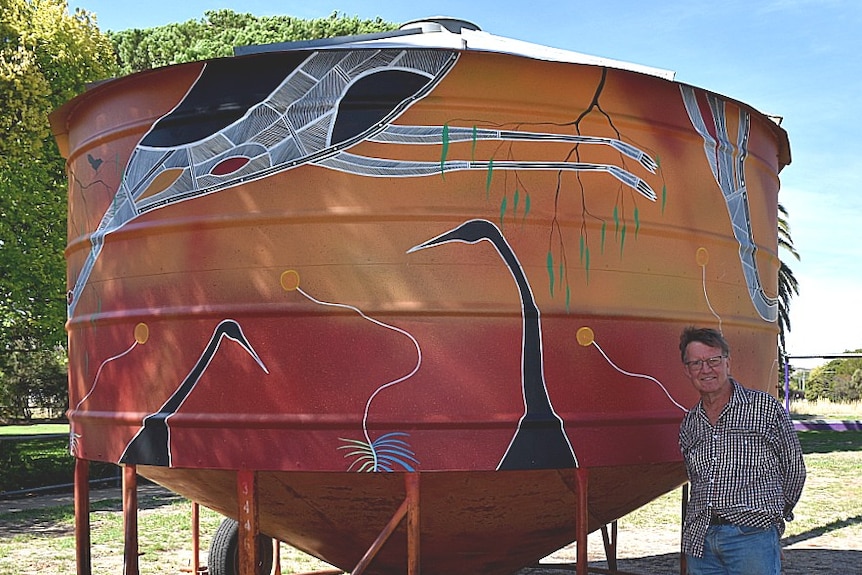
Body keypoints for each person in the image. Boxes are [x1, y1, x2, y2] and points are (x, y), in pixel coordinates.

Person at [678, 327, 806, 575]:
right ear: (687, 370)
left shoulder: (764, 408)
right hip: (701, 543)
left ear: (728, 363)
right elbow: (696, 481)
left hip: (751, 537)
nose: (706, 369)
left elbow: (794, 470)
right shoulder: (690, 423)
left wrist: (769, 525)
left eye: (713, 360)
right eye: (696, 363)